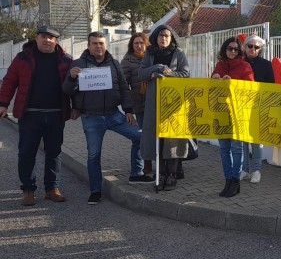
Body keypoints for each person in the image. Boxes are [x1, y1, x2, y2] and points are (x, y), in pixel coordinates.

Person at [63, 32, 144, 205]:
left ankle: (136, 174)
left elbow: (124, 87)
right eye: (95, 44)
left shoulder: (114, 64)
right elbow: (67, 90)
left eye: (101, 43)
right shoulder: (78, 64)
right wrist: (72, 78)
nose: (98, 46)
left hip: (114, 114)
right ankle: (95, 190)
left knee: (140, 136)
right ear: (89, 46)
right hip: (91, 117)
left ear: (105, 45)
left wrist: (128, 110)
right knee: (93, 155)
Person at [0, 25, 74, 206]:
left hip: (56, 115)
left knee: (54, 153)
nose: (47, 40)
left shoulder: (66, 60)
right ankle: (28, 189)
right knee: (26, 153)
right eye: (43, 36)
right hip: (30, 115)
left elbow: (75, 86)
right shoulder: (23, 58)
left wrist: (77, 107)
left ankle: (52, 188)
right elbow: (9, 81)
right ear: (37, 38)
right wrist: (3, 104)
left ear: (56, 40)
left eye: (51, 37)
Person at [138, 25, 190, 191]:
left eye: (167, 36)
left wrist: (168, 75)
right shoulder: (150, 53)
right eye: (161, 35)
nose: (164, 38)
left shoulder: (179, 53)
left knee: (172, 138)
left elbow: (186, 74)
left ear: (172, 38)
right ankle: (160, 172)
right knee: (157, 138)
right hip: (154, 102)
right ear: (156, 37)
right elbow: (141, 73)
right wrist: (157, 68)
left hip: (174, 103)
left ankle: (172, 174)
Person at [212, 37, 254, 197]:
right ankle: (228, 180)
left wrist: (234, 83)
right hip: (221, 112)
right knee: (224, 149)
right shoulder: (220, 66)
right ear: (225, 49)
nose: (232, 51)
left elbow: (250, 89)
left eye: (236, 49)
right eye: (230, 48)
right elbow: (212, 90)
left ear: (240, 52)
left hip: (238, 113)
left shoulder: (245, 66)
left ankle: (235, 181)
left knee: (237, 148)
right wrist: (214, 79)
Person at [240, 33, 275, 184]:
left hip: (258, 106)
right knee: (242, 139)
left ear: (260, 49)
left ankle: (256, 170)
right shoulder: (238, 63)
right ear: (245, 47)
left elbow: (271, 85)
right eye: (250, 46)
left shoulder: (266, 65)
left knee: (256, 140)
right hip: (241, 105)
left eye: (256, 47)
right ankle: (245, 169)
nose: (253, 49)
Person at [121, 31, 154, 181]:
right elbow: (123, 85)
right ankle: (145, 165)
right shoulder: (127, 61)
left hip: (155, 102)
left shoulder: (153, 58)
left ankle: (162, 163)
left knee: (157, 134)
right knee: (143, 136)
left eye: (142, 43)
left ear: (147, 44)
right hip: (139, 104)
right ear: (132, 45)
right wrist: (128, 108)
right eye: (136, 43)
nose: (139, 46)